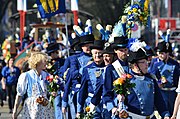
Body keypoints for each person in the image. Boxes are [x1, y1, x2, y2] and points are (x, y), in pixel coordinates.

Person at [122, 47, 170, 119]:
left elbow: (159, 100)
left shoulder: (151, 79)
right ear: (135, 65)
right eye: (143, 62)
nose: (147, 64)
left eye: (147, 62)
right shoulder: (125, 80)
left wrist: (165, 114)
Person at [12, 52, 54, 119]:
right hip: (32, 107)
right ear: (37, 62)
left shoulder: (46, 75)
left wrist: (53, 92)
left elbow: (50, 90)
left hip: (45, 106)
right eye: (44, 61)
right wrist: (15, 111)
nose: (46, 62)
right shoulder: (26, 75)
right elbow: (19, 94)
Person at [62, 34, 94, 119]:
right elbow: (73, 74)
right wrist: (86, 67)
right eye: (85, 46)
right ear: (82, 47)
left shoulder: (97, 58)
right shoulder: (75, 58)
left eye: (90, 45)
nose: (88, 48)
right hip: (79, 92)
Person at [77, 40, 105, 118]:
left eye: (100, 53)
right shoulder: (86, 69)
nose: (97, 55)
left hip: (106, 103)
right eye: (95, 53)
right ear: (92, 54)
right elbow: (83, 90)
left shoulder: (109, 68)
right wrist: (79, 110)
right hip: (92, 103)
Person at [103, 36, 129, 118]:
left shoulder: (133, 66)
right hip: (118, 107)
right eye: (121, 51)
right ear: (115, 51)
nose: (124, 53)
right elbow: (106, 92)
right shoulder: (111, 68)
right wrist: (112, 108)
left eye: (125, 50)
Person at [151, 41, 180, 116]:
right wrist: (160, 82)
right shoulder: (156, 65)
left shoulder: (176, 64)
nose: (159, 55)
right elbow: (152, 78)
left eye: (162, 53)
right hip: (162, 93)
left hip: (174, 94)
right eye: (159, 53)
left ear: (167, 53)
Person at [46, 43, 65, 119]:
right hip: (54, 86)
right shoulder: (48, 63)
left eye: (53, 53)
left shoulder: (63, 61)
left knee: (64, 104)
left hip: (62, 85)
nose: (52, 55)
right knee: (56, 104)